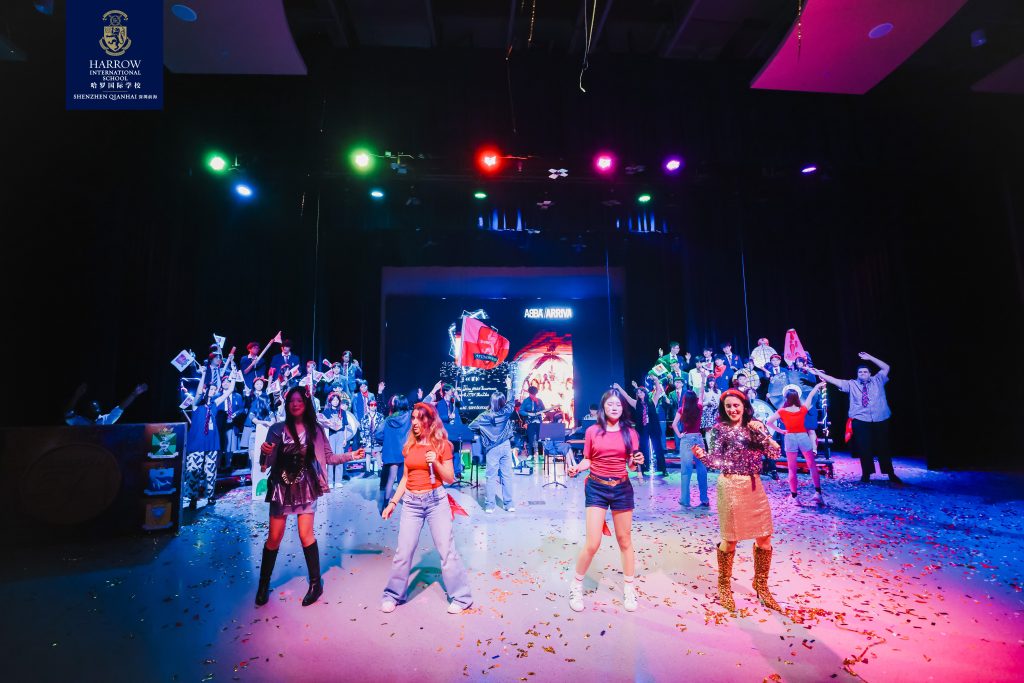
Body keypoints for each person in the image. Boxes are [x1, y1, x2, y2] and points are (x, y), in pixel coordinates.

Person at [255, 387, 363, 607]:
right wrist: (264, 453)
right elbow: (265, 464)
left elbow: (329, 458)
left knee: (306, 535)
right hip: (281, 488)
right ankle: (263, 585)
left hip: (306, 488)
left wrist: (351, 455)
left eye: (299, 401)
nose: (295, 404)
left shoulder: (316, 430)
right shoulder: (277, 429)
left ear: (306, 404)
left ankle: (315, 584)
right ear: (287, 405)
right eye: (291, 401)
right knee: (274, 538)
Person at [691, 389, 783, 613]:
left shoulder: (756, 426)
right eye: (728, 406)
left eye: (736, 405)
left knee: (764, 537)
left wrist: (761, 433)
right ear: (724, 409)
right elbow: (716, 462)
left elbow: (774, 454)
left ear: (744, 406)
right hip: (730, 485)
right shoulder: (719, 430)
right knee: (730, 539)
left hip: (754, 486)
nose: (733, 409)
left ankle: (761, 585)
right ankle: (724, 585)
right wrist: (703, 456)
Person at [380, 402, 473, 614]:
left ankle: (462, 598)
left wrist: (436, 463)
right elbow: (405, 478)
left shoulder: (442, 445)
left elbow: (449, 478)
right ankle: (393, 595)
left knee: (447, 551)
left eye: (419, 418)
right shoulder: (409, 446)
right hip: (411, 504)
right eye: (413, 418)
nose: (414, 422)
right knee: (403, 552)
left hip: (435, 502)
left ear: (430, 421)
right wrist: (392, 503)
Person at [565, 389, 644, 612]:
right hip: (597, 488)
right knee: (593, 543)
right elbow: (588, 459)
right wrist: (577, 468)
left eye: (618, 404)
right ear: (603, 407)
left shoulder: (630, 433)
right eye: (610, 404)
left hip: (622, 488)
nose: (614, 408)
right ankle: (576, 586)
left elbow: (632, 465)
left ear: (622, 408)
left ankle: (629, 588)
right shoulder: (593, 431)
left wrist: (637, 460)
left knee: (624, 540)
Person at [810, 353, 901, 484]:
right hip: (860, 419)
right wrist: (819, 373)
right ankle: (866, 474)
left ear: (870, 374)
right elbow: (834, 380)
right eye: (860, 372)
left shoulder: (878, 380)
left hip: (880, 418)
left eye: (865, 372)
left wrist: (870, 358)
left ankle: (890, 474)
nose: (863, 373)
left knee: (884, 447)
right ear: (857, 374)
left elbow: (886, 367)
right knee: (864, 447)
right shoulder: (851, 384)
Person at [766, 382, 827, 506]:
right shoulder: (802, 409)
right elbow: (810, 396)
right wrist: (816, 386)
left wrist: (781, 431)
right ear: (797, 397)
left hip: (790, 438)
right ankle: (818, 493)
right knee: (812, 465)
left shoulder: (782, 411)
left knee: (792, 469)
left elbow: (768, 422)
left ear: (786, 398)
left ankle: (794, 497)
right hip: (803, 436)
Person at [469, 391, 518, 513]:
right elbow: (511, 402)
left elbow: (472, 426)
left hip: (492, 449)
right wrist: (510, 387)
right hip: (505, 446)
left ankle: (490, 506)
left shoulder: (484, 416)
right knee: (507, 476)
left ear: (491, 401)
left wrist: (485, 431)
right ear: (503, 402)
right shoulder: (506, 412)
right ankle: (509, 505)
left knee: (491, 477)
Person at [184, 369, 221, 509]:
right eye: (210, 389)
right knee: (193, 471)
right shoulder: (196, 405)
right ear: (206, 390)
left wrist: (234, 377)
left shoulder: (214, 404)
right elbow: (199, 392)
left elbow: (228, 392)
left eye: (214, 389)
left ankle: (210, 496)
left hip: (211, 442)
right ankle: (192, 498)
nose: (212, 391)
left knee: (210, 471)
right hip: (197, 443)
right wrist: (204, 374)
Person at [617, 380, 667, 476]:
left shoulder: (652, 401)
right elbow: (626, 396)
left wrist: (656, 380)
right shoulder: (636, 403)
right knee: (643, 447)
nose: (639, 394)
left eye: (641, 392)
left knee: (658, 447)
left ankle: (663, 469)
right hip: (642, 428)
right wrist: (619, 387)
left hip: (653, 427)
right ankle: (644, 468)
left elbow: (658, 391)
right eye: (638, 393)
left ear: (645, 393)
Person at [671, 390, 708, 508]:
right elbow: (701, 395)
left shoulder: (681, 409)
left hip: (686, 439)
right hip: (698, 439)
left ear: (685, 399)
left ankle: (685, 500)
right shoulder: (699, 407)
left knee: (686, 471)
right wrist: (703, 382)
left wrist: (679, 435)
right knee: (702, 470)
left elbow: (674, 424)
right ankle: (704, 499)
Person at [379, 395, 411, 513]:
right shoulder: (409, 416)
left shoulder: (388, 419)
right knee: (404, 478)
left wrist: (386, 441)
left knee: (391, 479)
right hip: (405, 451)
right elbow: (423, 405)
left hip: (392, 453)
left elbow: (378, 434)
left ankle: (385, 505)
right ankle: (408, 504)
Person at [64, 382, 148, 425]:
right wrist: (77, 395)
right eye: (92, 407)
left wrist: (134, 394)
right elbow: (67, 414)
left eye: (96, 407)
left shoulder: (106, 420)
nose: (95, 409)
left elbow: (120, 408)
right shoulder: (79, 421)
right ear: (86, 410)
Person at [241, 377, 274, 451]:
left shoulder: (266, 395)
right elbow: (245, 406)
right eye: (257, 384)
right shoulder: (250, 395)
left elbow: (269, 408)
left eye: (261, 384)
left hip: (263, 419)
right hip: (251, 419)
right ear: (254, 385)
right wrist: (247, 396)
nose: (259, 385)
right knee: (250, 445)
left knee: (261, 443)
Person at [359, 397, 385, 476]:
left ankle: (380, 470)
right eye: (371, 405)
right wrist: (363, 437)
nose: (373, 406)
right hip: (367, 437)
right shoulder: (365, 417)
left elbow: (382, 428)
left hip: (377, 437)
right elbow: (362, 428)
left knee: (378, 453)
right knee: (368, 453)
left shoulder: (380, 416)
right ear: (368, 406)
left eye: (375, 405)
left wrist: (381, 437)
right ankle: (367, 471)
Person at [519, 386, 545, 457]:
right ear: (529, 393)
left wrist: (539, 407)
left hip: (539, 421)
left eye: (534, 394)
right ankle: (531, 455)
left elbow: (544, 409)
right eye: (532, 394)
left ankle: (540, 455)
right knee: (531, 439)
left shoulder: (539, 400)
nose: (533, 396)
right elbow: (521, 411)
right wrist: (528, 414)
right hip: (530, 422)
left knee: (540, 439)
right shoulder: (526, 401)